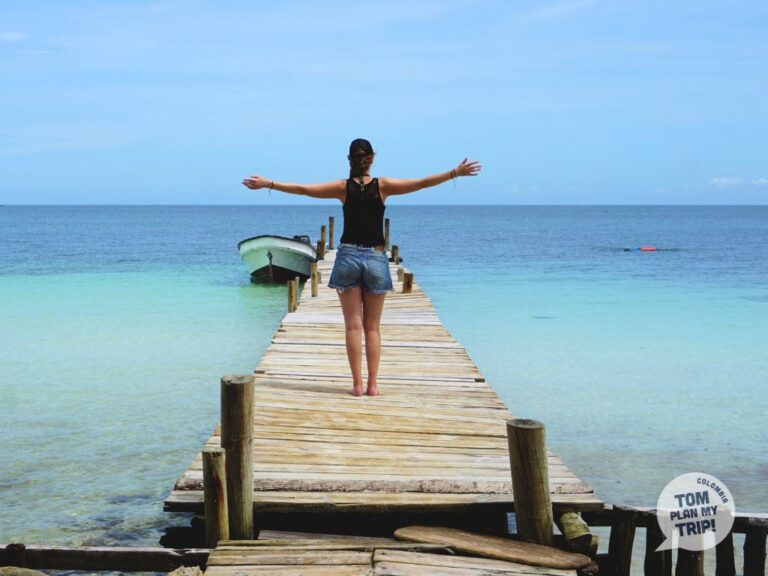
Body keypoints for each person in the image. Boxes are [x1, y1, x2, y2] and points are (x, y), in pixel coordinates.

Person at [242, 138, 481, 397]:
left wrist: (270, 184)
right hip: (376, 258)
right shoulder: (384, 186)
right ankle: (373, 386)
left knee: (353, 327)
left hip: (347, 257)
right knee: (372, 328)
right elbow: (421, 183)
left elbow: (303, 189)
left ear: (349, 160)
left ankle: (356, 384)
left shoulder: (342, 188)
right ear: (371, 159)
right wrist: (455, 173)